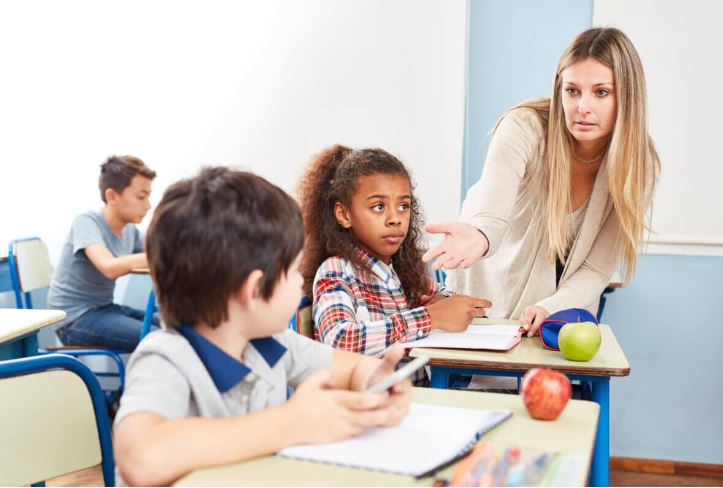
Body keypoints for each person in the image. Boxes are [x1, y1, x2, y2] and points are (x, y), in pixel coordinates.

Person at [113, 167, 411, 486]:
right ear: (254, 290)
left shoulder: (270, 343)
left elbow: (351, 369)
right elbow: (141, 457)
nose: (300, 284)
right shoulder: (166, 358)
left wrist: (377, 381)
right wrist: (291, 423)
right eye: (294, 271)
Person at [423, 27, 660, 336]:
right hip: (492, 278)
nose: (582, 107)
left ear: (627, 97)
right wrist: (480, 235)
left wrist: (552, 306)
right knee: (476, 379)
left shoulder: (638, 164)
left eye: (601, 92)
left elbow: (596, 268)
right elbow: (492, 217)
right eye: (572, 90)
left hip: (559, 304)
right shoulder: (524, 127)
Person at [298, 145, 490, 382]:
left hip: (414, 402)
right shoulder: (337, 270)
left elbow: (439, 296)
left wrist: (449, 303)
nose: (395, 219)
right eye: (378, 207)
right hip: (371, 411)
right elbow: (339, 340)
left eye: (403, 206)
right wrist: (430, 317)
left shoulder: (398, 271)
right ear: (344, 215)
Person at [48, 155, 160, 350]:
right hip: (74, 319)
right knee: (157, 338)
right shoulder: (86, 222)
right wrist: (160, 257)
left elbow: (156, 253)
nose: (148, 205)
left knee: (173, 328)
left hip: (105, 309)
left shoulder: (129, 232)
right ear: (112, 196)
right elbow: (108, 267)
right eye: (141, 197)